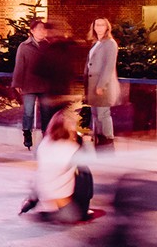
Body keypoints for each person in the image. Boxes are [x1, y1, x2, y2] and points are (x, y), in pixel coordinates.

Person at [26, 108, 96, 223]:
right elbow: (91, 159)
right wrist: (87, 141)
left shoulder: (44, 143)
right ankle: (74, 211)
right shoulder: (72, 149)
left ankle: (44, 208)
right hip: (63, 203)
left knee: (44, 171)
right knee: (84, 173)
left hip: (44, 196)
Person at [13, 19, 50, 148]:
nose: (41, 32)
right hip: (29, 84)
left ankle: (46, 135)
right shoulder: (24, 46)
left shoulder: (49, 46)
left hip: (45, 85)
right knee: (28, 111)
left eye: (43, 29)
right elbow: (19, 65)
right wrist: (17, 82)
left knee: (46, 111)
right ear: (32, 31)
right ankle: (27, 132)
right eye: (38, 29)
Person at [84, 17, 119, 149]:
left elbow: (109, 66)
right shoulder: (96, 43)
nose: (99, 27)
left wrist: (101, 85)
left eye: (102, 25)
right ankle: (100, 141)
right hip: (92, 85)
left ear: (107, 27)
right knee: (95, 115)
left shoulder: (110, 43)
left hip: (102, 86)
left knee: (103, 114)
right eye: (96, 25)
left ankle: (108, 143)